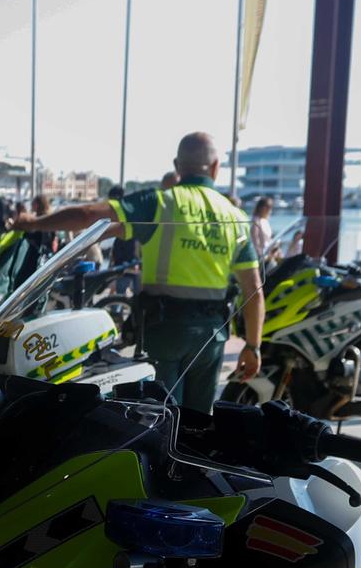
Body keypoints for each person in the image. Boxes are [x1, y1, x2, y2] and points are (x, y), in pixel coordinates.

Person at [24, 132, 262, 412]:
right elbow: (254, 290)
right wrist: (253, 346)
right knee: (198, 426)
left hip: (164, 330)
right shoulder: (234, 216)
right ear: (215, 167)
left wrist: (31, 224)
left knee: (161, 419)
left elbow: (90, 214)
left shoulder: (161, 203)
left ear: (177, 165)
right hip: (211, 336)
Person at [248, 195, 275, 265]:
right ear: (261, 208)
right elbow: (255, 239)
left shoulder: (265, 221)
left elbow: (269, 239)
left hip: (268, 254)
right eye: (268, 208)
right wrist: (260, 254)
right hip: (260, 256)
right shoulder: (256, 220)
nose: (269, 210)